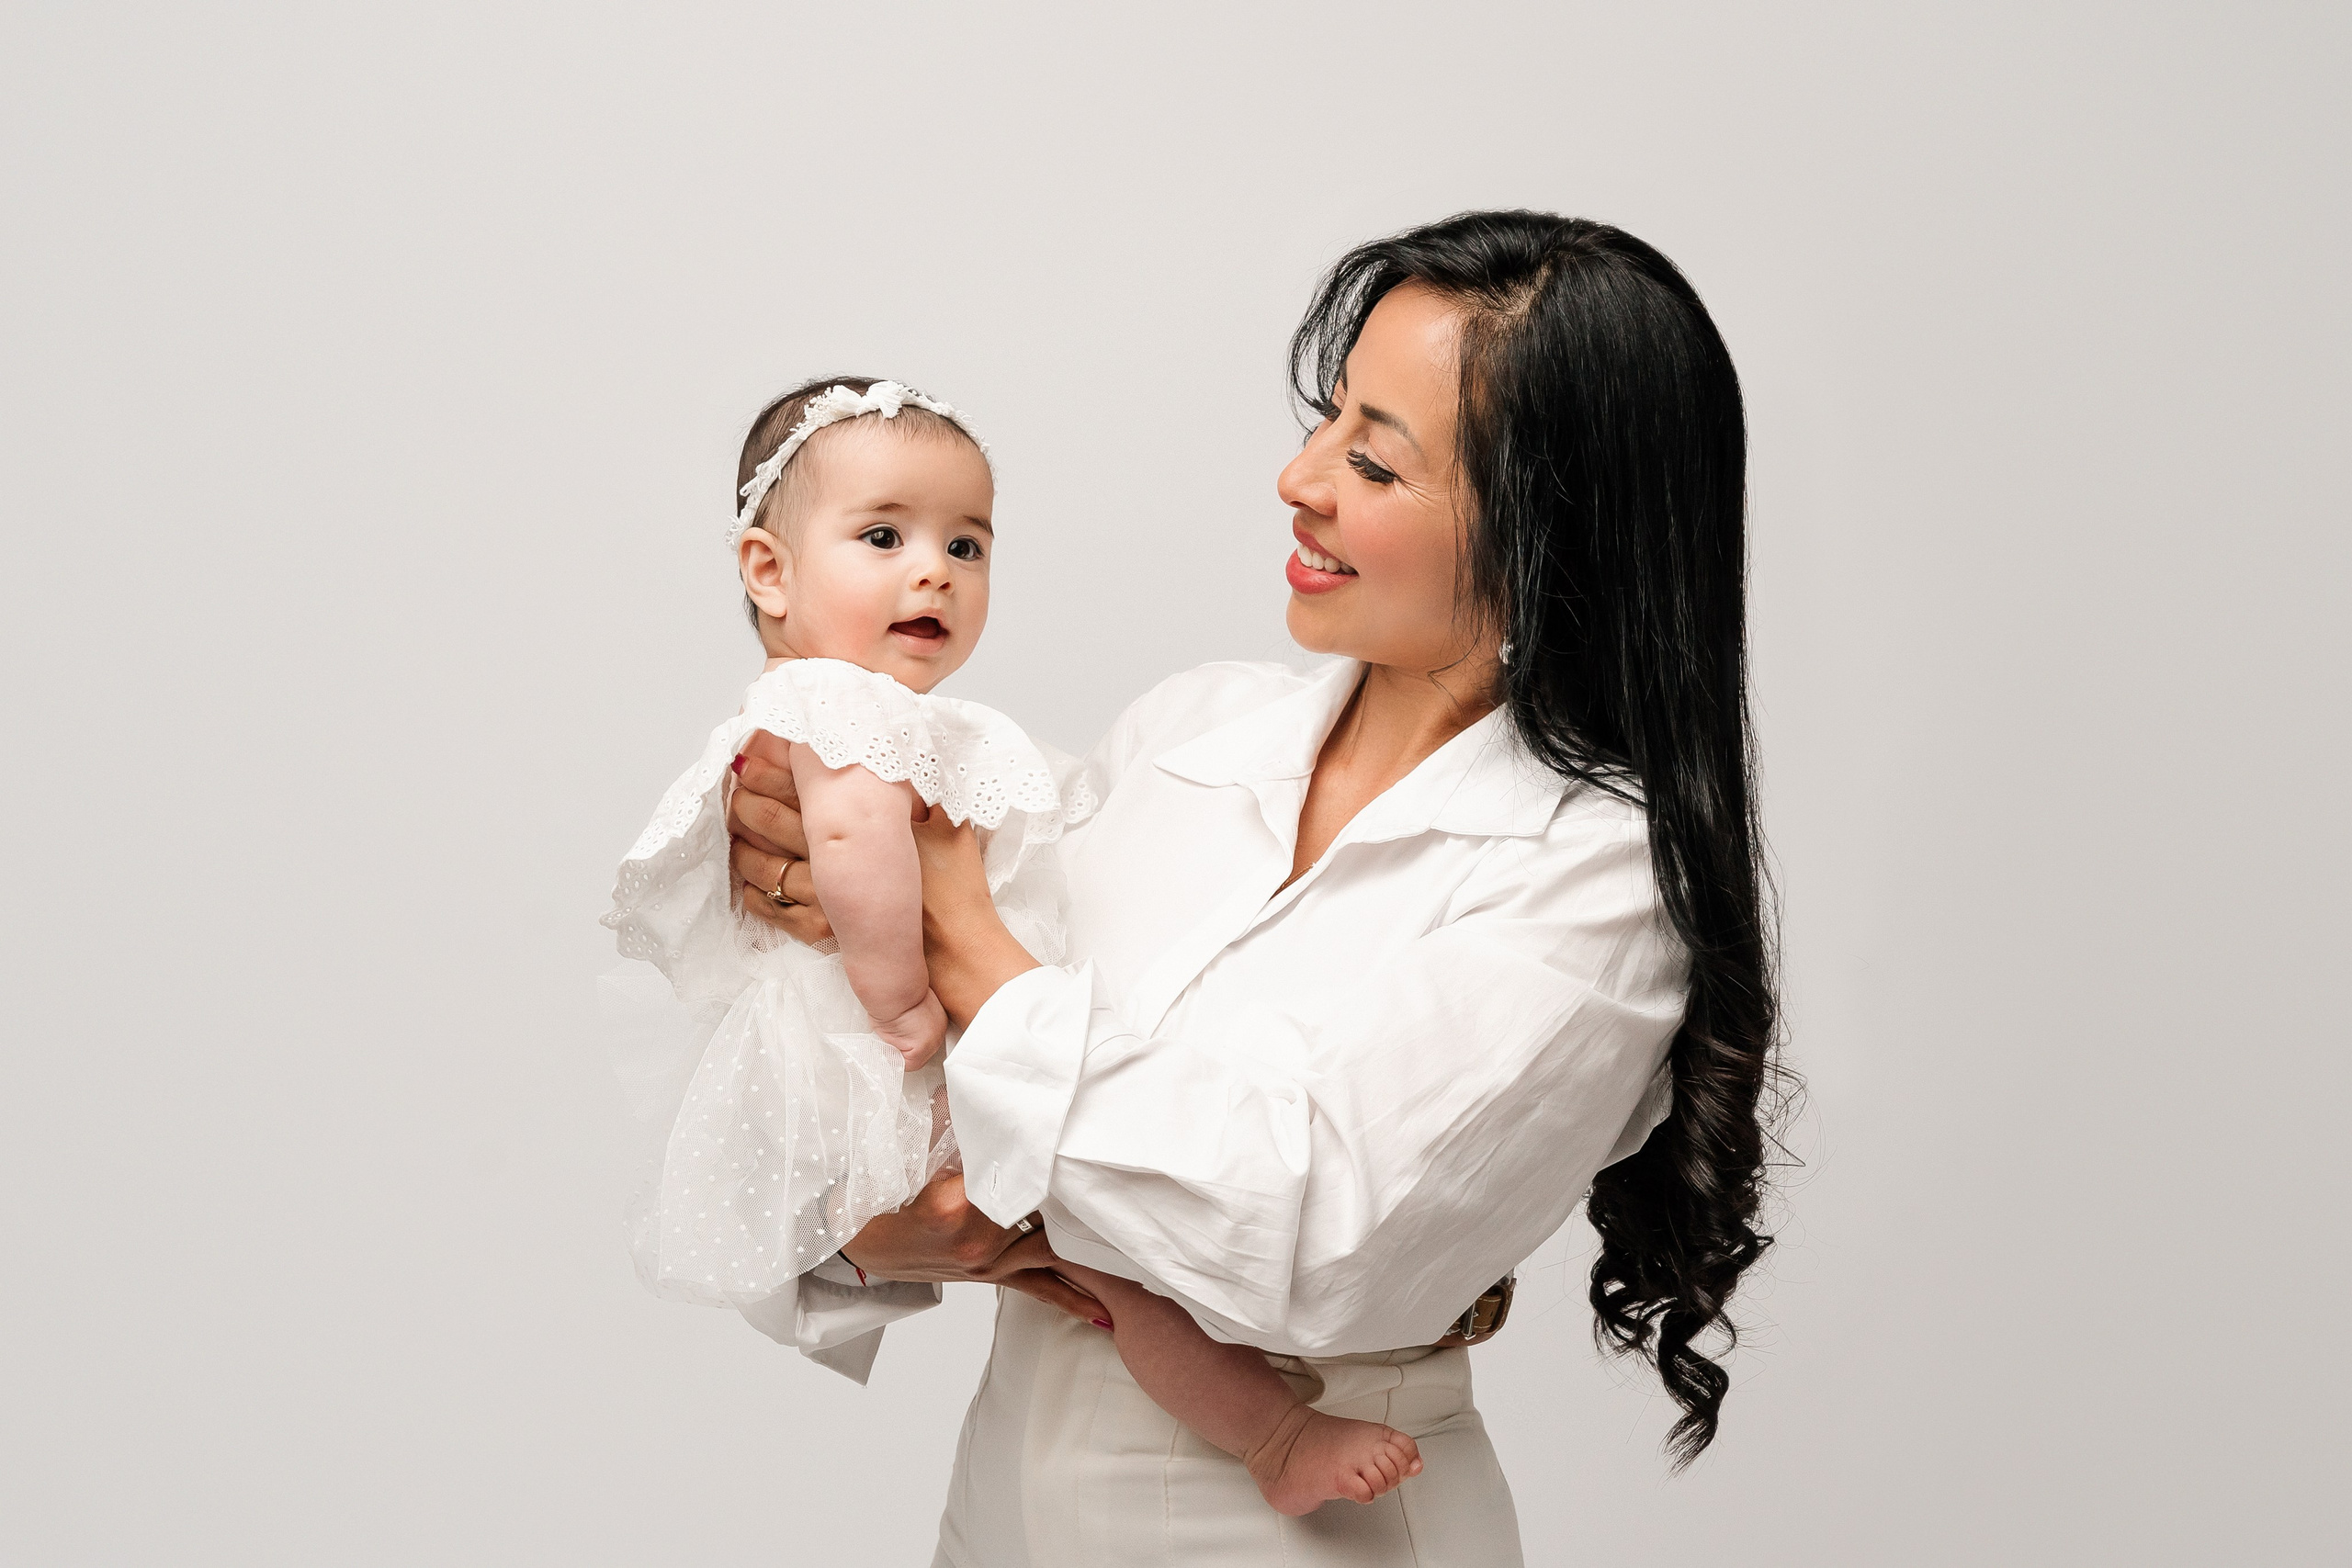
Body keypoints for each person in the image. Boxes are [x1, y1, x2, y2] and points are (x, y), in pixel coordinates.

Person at [729, 211, 1783, 1565]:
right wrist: (866, 1189)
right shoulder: (1185, 733)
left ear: (1550, 525)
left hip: (1299, 1516)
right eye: (1328, 419)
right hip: (1011, 1487)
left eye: (1376, 459)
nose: (1300, 477)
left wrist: (957, 934)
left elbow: (1317, 1245)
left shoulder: (1600, 878)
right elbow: (890, 1120)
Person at [603, 376, 1427, 1514]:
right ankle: (1277, 1435)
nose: (933, 569)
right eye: (883, 536)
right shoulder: (840, 709)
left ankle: (1276, 1437)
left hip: (921, 1081)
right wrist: (902, 1002)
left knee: (1101, 1272)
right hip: (896, 1053)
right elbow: (852, 847)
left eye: (967, 542)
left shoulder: (874, 714)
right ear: (768, 571)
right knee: (1114, 1276)